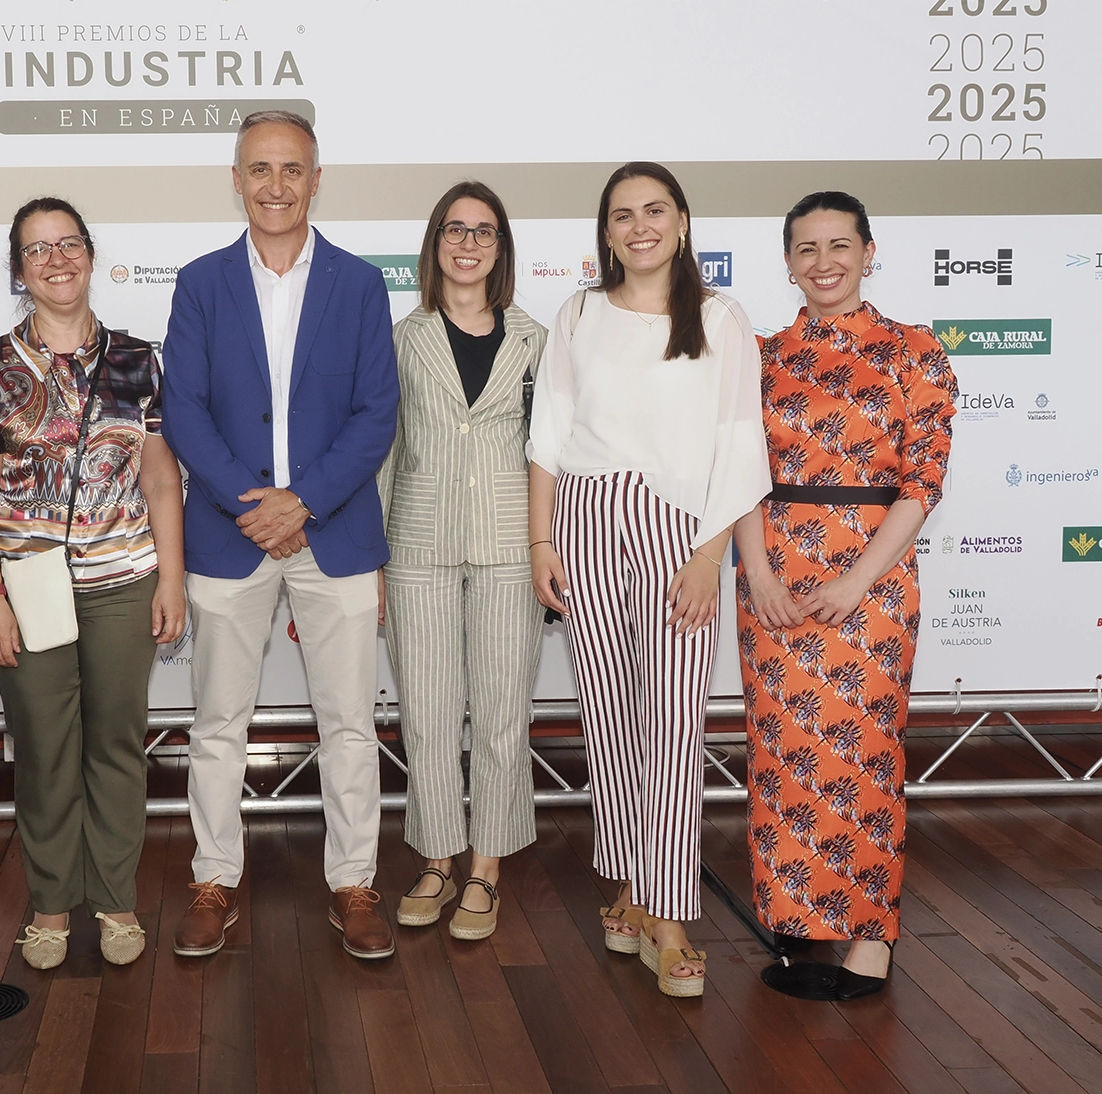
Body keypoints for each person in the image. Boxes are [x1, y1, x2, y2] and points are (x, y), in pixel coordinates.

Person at [527, 162, 770, 997]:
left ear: (682, 221)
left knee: (672, 721)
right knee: (609, 719)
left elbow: (741, 443)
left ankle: (668, 915)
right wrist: (539, 540)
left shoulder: (721, 318)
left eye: (654, 210)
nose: (639, 226)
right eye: (622, 214)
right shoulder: (578, 313)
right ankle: (630, 885)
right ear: (605, 233)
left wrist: (710, 555)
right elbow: (549, 432)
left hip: (680, 531)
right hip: (586, 520)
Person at [161, 109, 400, 960]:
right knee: (219, 722)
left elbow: (377, 415)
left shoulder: (362, 285)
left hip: (333, 534)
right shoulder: (199, 283)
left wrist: (302, 503)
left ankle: (354, 882)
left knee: (348, 723)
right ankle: (214, 878)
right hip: (230, 537)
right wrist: (249, 501)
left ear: (316, 178)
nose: (275, 185)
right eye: (258, 169)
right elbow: (182, 409)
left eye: (291, 169)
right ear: (236, 177)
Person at [0, 197, 186, 972]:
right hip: (27, 589)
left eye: (69, 244)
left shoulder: (138, 360)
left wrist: (172, 580)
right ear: (19, 271)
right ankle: (52, 905)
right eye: (37, 250)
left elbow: (161, 483)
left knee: (117, 746)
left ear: (91, 253)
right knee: (48, 751)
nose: (56, 260)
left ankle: (115, 900)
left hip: (125, 579)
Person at [736, 191, 956, 999]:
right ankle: (797, 922)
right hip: (773, 578)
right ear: (787, 264)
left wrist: (857, 580)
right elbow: (735, 475)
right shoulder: (757, 356)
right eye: (806, 248)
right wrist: (759, 575)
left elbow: (923, 480)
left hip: (874, 580)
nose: (824, 261)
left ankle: (869, 935)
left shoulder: (914, 352)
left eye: (840, 244)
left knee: (864, 756)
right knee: (783, 754)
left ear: (869, 251)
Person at [379, 181, 546, 941]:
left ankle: (487, 868)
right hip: (417, 545)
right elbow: (381, 453)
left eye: (484, 231)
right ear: (435, 243)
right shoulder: (399, 338)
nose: (469, 243)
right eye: (456, 229)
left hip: (512, 545)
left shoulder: (536, 341)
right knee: (429, 714)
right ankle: (438, 858)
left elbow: (552, 458)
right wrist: (374, 563)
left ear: (501, 248)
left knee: (505, 714)